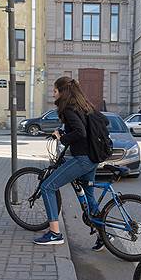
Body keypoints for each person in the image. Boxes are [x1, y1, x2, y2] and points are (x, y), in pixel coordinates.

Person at [35, 77, 105, 247]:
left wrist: (63, 138)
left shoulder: (68, 109)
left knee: (47, 186)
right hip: (93, 157)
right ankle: (103, 235)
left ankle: (54, 233)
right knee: (88, 195)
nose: (53, 94)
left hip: (83, 159)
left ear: (62, 92)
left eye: (55, 91)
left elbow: (80, 132)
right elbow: (81, 128)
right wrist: (64, 131)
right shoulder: (82, 105)